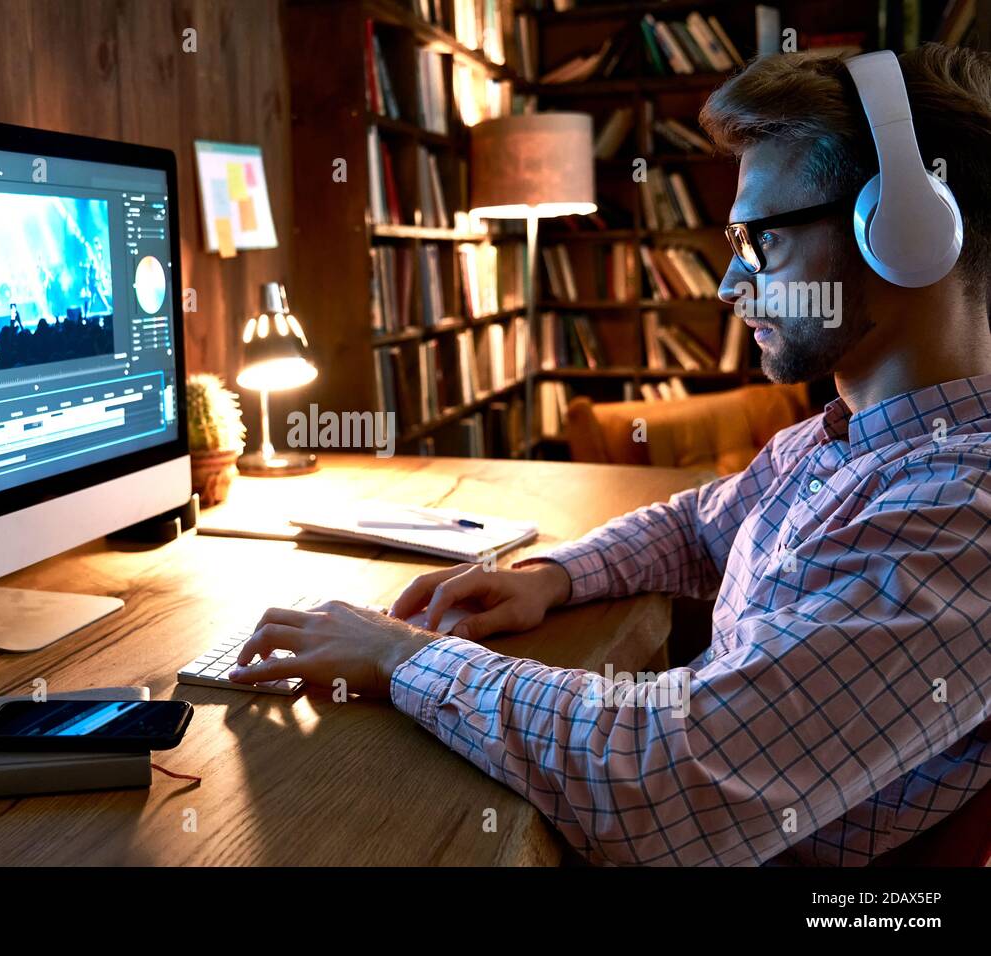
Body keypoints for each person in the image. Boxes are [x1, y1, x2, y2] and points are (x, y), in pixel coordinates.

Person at [228, 44, 991, 865]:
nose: (730, 285)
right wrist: (552, 578)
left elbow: (659, 778)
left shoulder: (956, 519)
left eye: (758, 239)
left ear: (906, 233)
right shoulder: (847, 432)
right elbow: (701, 526)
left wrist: (403, 655)